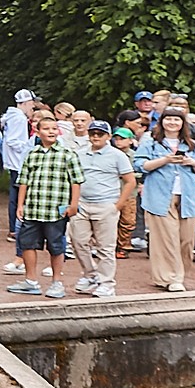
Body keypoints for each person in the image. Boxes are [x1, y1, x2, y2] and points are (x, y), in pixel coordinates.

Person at [5, 115, 83, 299]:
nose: (51, 132)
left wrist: (73, 205)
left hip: (56, 210)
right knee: (27, 243)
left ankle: (57, 282)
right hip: (33, 208)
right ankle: (30, 280)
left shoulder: (67, 154)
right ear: (38, 132)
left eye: (54, 129)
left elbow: (76, 182)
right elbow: (23, 181)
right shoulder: (32, 154)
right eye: (47, 129)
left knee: (56, 246)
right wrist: (21, 204)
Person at [136, 108, 195, 293]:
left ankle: (177, 274)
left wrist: (192, 162)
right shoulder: (150, 143)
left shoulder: (193, 146)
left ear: (183, 123)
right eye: (168, 119)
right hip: (160, 196)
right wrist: (165, 160)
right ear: (161, 122)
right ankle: (172, 278)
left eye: (177, 119)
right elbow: (141, 165)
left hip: (188, 196)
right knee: (167, 239)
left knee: (186, 240)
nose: (172, 123)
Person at [73, 121, 136, 297]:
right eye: (93, 133)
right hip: (82, 204)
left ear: (108, 136)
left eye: (100, 134)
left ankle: (107, 283)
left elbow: (130, 181)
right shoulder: (79, 154)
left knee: (105, 247)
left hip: (106, 204)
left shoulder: (117, 155)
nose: (95, 137)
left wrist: (118, 205)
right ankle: (90, 275)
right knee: (78, 242)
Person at [0, 89, 37, 235]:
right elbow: (12, 141)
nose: (33, 107)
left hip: (13, 161)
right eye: (32, 104)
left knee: (15, 196)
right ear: (27, 102)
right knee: (17, 196)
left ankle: (15, 228)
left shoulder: (12, 116)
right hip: (18, 162)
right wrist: (28, 147)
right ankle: (15, 228)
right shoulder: (19, 118)